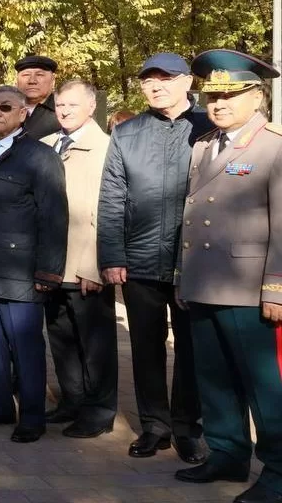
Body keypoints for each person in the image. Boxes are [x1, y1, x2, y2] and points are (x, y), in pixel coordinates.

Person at [173, 50, 282, 503]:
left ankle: (277, 471)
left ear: (256, 96)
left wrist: (277, 286)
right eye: (212, 95)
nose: (218, 103)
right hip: (203, 281)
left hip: (248, 286)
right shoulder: (204, 145)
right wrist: (183, 276)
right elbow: (193, 216)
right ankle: (227, 454)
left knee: (264, 388)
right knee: (213, 378)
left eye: (230, 95)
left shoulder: (274, 145)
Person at [98, 52, 211, 463]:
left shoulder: (208, 127)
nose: (156, 85)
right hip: (139, 260)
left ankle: (187, 428)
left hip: (195, 261)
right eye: (148, 80)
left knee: (192, 349)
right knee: (146, 348)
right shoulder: (128, 134)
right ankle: (154, 427)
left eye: (165, 78)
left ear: (187, 83)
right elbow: (112, 197)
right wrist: (112, 254)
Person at [0, 86, 68, 443]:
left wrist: (49, 271)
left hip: (20, 271)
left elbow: (54, 217)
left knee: (25, 348)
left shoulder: (39, 156)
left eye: (6, 107)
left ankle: (32, 417)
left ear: (23, 113)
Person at [40, 80, 118, 438]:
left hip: (84, 265)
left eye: (73, 105)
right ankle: (71, 400)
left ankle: (99, 410)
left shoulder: (105, 148)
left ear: (91, 107)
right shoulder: (46, 145)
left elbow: (106, 212)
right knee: (61, 337)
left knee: (95, 344)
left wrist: (94, 266)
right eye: (60, 105)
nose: (65, 111)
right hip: (51, 265)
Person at [14, 55, 60, 139]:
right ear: (16, 81)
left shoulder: (63, 112)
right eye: (26, 75)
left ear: (53, 81)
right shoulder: (1, 109)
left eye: (39, 75)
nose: (32, 81)